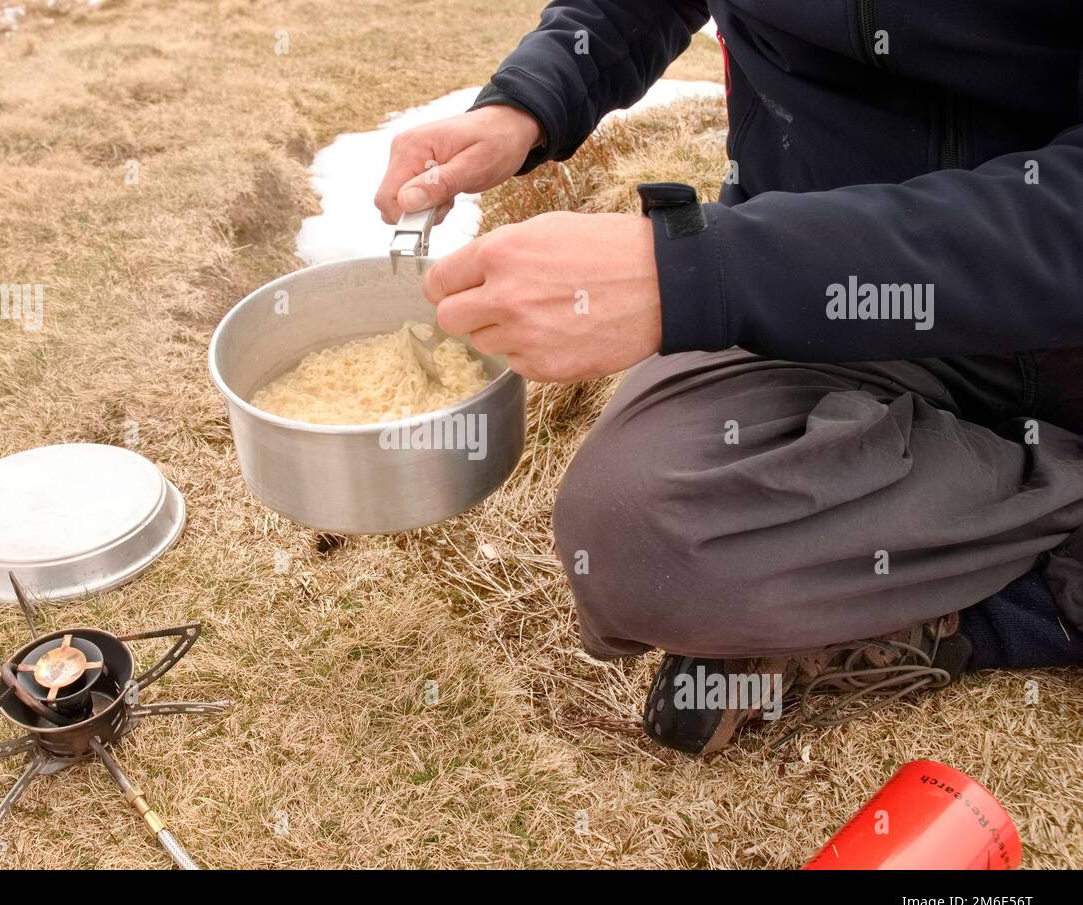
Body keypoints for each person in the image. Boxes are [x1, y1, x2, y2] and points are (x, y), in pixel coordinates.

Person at [373, 1, 1083, 754]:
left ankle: (997, 609)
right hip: (825, 301)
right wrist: (529, 100)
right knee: (636, 533)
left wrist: (695, 273)